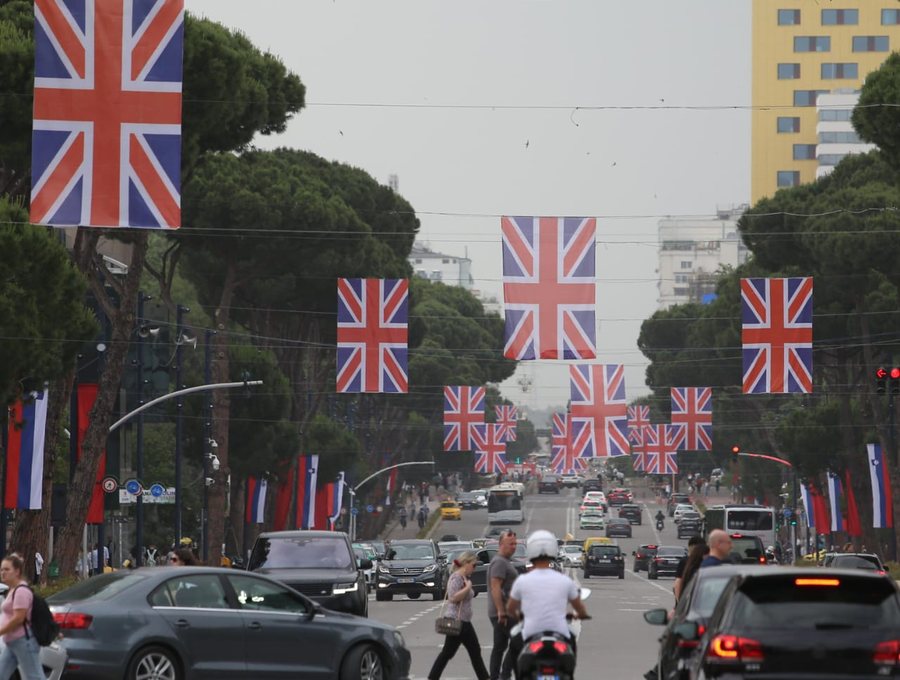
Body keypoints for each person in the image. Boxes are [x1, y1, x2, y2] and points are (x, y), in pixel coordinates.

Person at [507, 531, 590, 670]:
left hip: (530, 631)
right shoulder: (564, 580)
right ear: (553, 550)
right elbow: (579, 606)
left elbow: (510, 608)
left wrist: (518, 616)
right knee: (571, 647)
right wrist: (580, 614)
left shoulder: (522, 580)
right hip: (559, 632)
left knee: (514, 647)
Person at [427, 552, 489, 680]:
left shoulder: (464, 578)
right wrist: (468, 588)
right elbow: (453, 597)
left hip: (464, 622)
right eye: (473, 565)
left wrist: (469, 588)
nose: (474, 568)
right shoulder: (456, 577)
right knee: (452, 652)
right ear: (466, 564)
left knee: (469, 651)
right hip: (456, 620)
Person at [0, 553, 43, 680]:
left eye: (7, 569)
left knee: (34, 677)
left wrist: (1, 631)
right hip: (12, 642)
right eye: (1, 569)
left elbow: (19, 618)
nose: (3, 573)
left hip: (23, 641)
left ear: (17, 571)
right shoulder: (13, 590)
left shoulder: (21, 591)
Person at [488, 530, 519, 680]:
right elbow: (495, 586)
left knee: (499, 647)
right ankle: (504, 675)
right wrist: (501, 611)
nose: (513, 547)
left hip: (502, 612)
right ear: (501, 544)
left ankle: (495, 677)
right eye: (510, 544)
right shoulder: (500, 562)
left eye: (515, 544)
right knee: (519, 641)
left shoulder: (504, 561)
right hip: (503, 612)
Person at [673, 537, 709, 602]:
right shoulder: (705, 562)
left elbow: (678, 583)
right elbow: (678, 583)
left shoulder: (684, 561)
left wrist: (679, 603)